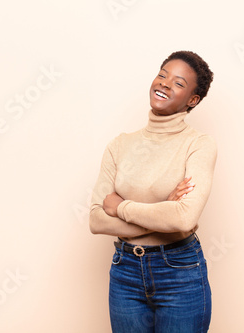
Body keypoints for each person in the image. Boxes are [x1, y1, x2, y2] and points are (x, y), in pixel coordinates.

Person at [89, 50, 217, 333]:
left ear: (192, 100)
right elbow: (96, 220)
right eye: (162, 75)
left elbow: (183, 219)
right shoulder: (119, 145)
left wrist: (122, 207)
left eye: (179, 83)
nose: (165, 84)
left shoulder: (198, 145)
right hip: (124, 272)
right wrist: (163, 208)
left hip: (179, 272)